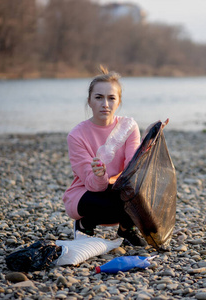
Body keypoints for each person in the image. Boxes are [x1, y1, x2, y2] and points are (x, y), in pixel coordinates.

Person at [62, 68, 147, 246]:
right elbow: (92, 184)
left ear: (119, 102)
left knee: (141, 196)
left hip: (118, 187)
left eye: (111, 98)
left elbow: (133, 169)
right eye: (99, 97)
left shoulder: (128, 127)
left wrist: (150, 145)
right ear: (89, 101)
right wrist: (99, 174)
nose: (105, 104)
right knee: (113, 204)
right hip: (85, 192)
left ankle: (126, 230)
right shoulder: (77, 136)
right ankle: (84, 224)